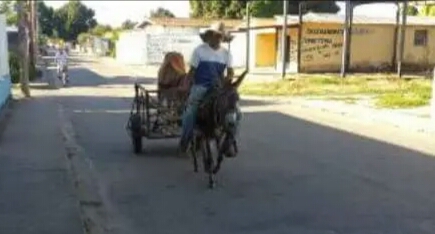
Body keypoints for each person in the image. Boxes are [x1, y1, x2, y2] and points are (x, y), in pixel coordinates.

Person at [179, 22, 241, 153]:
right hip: (200, 86)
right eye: (215, 35)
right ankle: (185, 138)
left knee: (237, 112)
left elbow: (230, 72)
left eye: (220, 36)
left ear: (223, 37)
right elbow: (192, 72)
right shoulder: (199, 51)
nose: (217, 38)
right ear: (209, 36)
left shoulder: (226, 54)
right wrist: (186, 85)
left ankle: (229, 141)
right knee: (190, 111)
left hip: (218, 88)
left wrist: (227, 79)